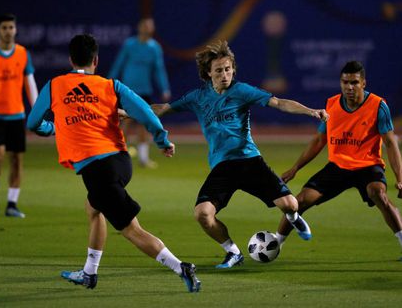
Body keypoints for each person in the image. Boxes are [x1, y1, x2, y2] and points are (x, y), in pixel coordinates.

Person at [27, 34, 201, 292]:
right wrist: (162, 140)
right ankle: (89, 273)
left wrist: (54, 128)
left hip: (98, 170)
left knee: (131, 230)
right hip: (120, 161)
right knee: (93, 207)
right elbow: (142, 110)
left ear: (70, 59)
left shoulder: (55, 85)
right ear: (95, 60)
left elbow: (32, 123)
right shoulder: (111, 85)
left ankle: (181, 266)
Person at [152, 40, 329, 268]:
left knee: (290, 205)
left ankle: (294, 218)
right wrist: (129, 111)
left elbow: (279, 103)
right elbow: (163, 108)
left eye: (228, 69)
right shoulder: (197, 97)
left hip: (249, 161)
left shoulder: (242, 91)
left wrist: (310, 111)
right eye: (219, 70)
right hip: (223, 167)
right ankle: (233, 252)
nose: (225, 74)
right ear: (208, 73)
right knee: (202, 215)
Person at [275, 61, 402, 259]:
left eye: (354, 82)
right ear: (340, 83)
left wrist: (399, 178)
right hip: (337, 168)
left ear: (363, 83)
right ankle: (276, 243)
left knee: (378, 193)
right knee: (298, 202)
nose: (349, 87)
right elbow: (319, 141)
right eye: (345, 82)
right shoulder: (331, 105)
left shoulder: (378, 106)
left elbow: (391, 144)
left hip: (368, 166)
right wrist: (295, 168)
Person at [0, 13, 38, 218]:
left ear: (16, 30)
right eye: (4, 28)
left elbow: (30, 83)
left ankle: (12, 203)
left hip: (16, 115)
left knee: (17, 160)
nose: (8, 31)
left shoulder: (22, 53)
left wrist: (36, 110)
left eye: (11, 27)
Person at [108, 17, 171, 168]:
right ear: (139, 27)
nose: (147, 28)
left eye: (150, 26)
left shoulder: (155, 47)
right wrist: (108, 82)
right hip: (128, 90)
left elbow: (159, 69)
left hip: (145, 91)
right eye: (145, 25)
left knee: (144, 123)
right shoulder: (129, 44)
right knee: (125, 122)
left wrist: (164, 88)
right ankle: (117, 156)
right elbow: (119, 63)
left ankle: (143, 158)